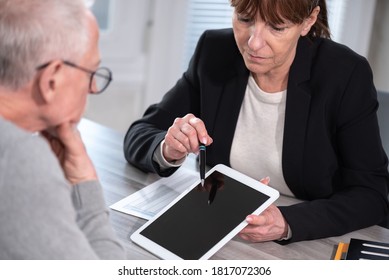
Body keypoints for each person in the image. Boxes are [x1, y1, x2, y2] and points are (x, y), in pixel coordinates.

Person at [124, 0, 389, 244]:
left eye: (276, 27)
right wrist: (168, 148)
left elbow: (371, 194)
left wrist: (287, 222)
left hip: (313, 243)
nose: (253, 43)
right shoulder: (215, 50)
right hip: (224, 232)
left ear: (308, 21)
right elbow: (140, 133)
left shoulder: (344, 74)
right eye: (245, 18)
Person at [0, 0, 125, 259]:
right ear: (51, 79)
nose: (92, 88)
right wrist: (84, 184)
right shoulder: (17, 158)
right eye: (90, 72)